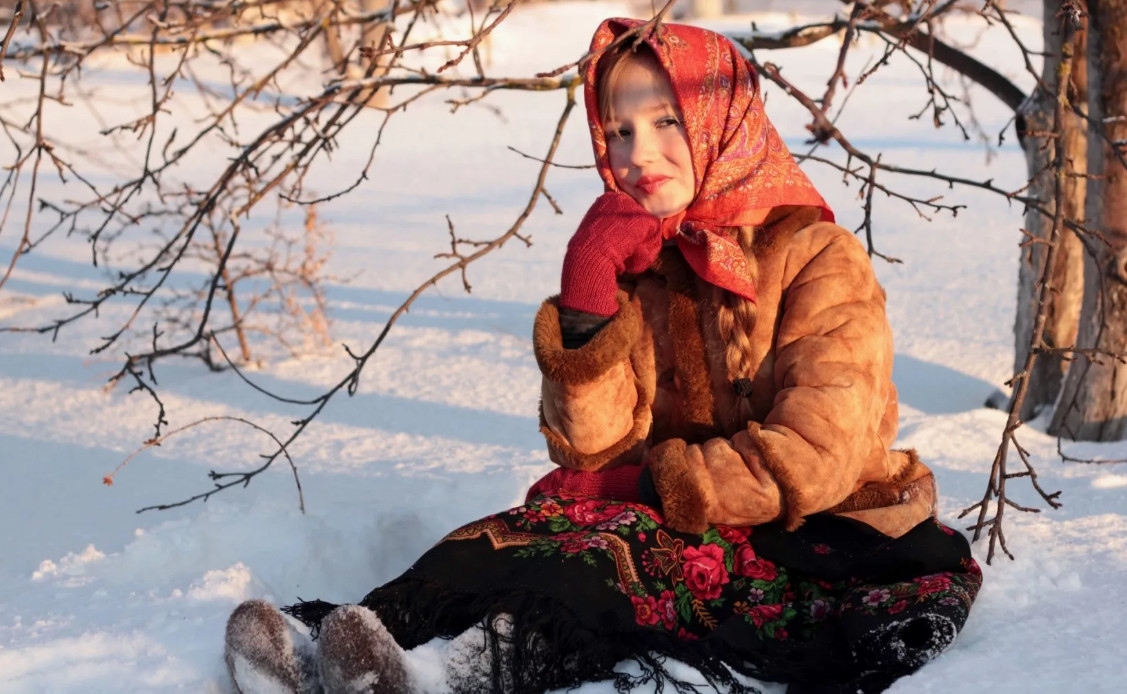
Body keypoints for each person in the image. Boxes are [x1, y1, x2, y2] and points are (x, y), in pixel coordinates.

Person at [223, 18, 982, 694]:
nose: (636, 154)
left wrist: (654, 484)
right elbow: (591, 449)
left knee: (605, 558)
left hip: (820, 536)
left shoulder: (815, 255)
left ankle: (437, 679)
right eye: (617, 131)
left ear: (722, 121)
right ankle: (329, 642)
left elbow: (820, 453)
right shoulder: (638, 253)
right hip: (677, 515)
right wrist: (587, 295)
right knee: (505, 537)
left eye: (663, 122)